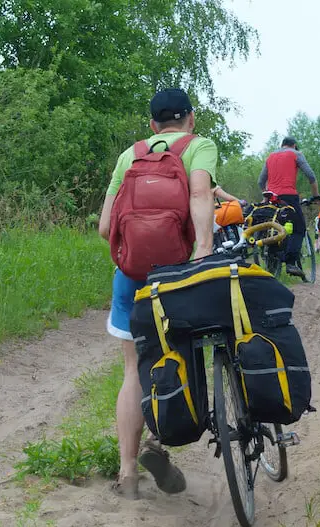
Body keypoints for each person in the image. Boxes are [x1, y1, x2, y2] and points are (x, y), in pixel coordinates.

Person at [98, 88, 218, 500]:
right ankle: (159, 443)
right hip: (176, 275)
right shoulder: (198, 147)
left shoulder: (129, 155)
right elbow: (201, 195)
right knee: (175, 357)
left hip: (130, 277)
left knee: (133, 370)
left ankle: (127, 474)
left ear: (152, 125)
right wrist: (203, 250)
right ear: (191, 119)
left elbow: (103, 226)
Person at [258, 137, 320, 277]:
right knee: (299, 228)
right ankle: (291, 263)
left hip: (271, 197)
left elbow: (261, 181)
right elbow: (311, 176)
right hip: (288, 196)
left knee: (274, 224)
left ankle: (272, 258)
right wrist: (316, 196)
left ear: (282, 145)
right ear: (294, 145)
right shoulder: (296, 154)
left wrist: (265, 196)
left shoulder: (271, 156)